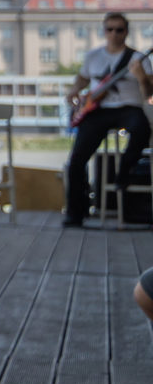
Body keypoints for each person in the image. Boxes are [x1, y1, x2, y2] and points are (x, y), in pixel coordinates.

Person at [62, 12, 148, 228]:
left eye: (119, 30)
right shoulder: (93, 56)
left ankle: (124, 171)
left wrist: (141, 76)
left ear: (126, 32)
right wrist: (74, 90)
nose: (114, 34)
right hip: (98, 110)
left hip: (129, 107)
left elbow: (149, 93)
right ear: (104, 31)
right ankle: (76, 212)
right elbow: (82, 78)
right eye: (110, 29)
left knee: (142, 129)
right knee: (77, 160)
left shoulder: (138, 58)